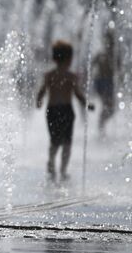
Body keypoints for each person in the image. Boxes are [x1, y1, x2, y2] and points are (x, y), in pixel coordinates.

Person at [36, 41, 93, 182]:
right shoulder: (70, 76)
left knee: (56, 141)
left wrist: (39, 100)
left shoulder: (50, 75)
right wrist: (86, 104)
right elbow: (78, 94)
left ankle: (53, 164)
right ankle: (61, 169)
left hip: (53, 110)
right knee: (66, 143)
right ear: (69, 58)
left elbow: (42, 91)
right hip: (66, 110)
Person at [92, 31, 118, 132]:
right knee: (108, 105)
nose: (111, 43)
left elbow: (119, 69)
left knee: (110, 107)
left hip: (108, 82)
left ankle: (101, 124)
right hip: (101, 82)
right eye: (109, 41)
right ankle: (101, 126)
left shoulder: (114, 54)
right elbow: (91, 63)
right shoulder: (101, 54)